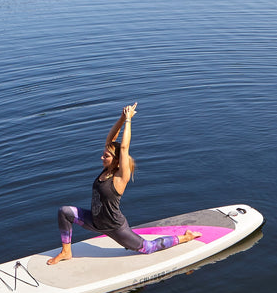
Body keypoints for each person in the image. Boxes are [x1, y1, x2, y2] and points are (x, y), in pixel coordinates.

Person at [47, 103, 202, 265]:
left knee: (148, 247)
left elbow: (124, 147)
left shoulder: (120, 177)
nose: (102, 157)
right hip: (93, 220)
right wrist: (121, 118)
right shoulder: (105, 170)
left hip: (114, 227)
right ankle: (66, 252)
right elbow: (111, 139)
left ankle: (186, 237)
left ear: (116, 160)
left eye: (106, 156)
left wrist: (128, 120)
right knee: (64, 212)